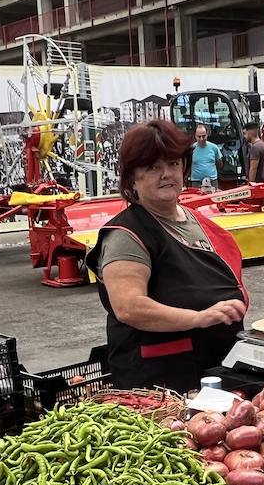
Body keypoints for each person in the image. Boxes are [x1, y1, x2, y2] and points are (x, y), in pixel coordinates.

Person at [84, 118, 248, 391]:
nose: (166, 174)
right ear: (131, 180)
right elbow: (129, 307)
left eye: (173, 164)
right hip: (162, 383)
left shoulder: (197, 221)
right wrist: (199, 318)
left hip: (217, 367)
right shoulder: (127, 234)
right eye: (153, 167)